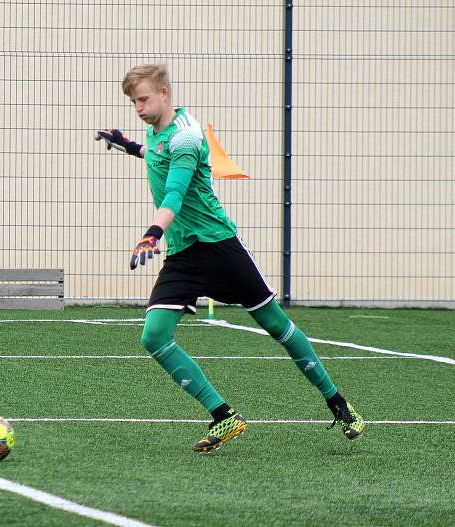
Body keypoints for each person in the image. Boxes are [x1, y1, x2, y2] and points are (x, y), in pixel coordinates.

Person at [95, 64, 364, 453]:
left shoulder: (186, 136)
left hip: (220, 247)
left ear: (165, 94)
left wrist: (152, 234)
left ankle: (338, 404)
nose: (137, 107)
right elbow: (156, 155)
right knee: (153, 336)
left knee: (277, 326)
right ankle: (224, 417)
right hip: (185, 255)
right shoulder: (156, 135)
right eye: (132, 101)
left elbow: (174, 191)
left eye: (143, 99)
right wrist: (128, 144)